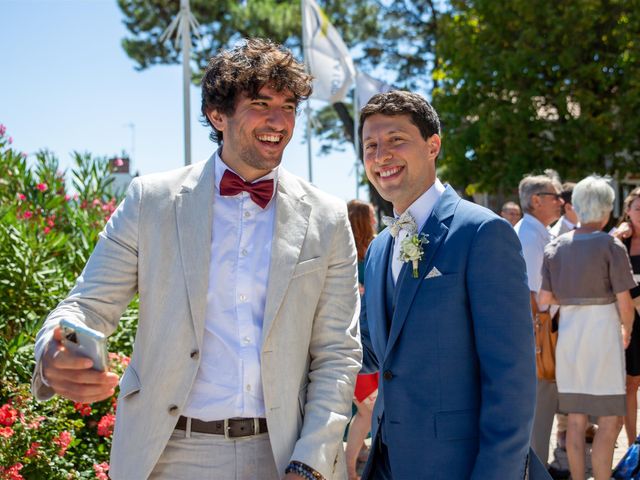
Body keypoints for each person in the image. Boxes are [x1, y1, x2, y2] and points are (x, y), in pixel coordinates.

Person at [31, 38, 362, 480]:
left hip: (285, 454)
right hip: (169, 455)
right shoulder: (151, 201)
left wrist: (311, 463)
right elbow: (86, 306)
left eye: (288, 107)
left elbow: (337, 353)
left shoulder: (328, 215)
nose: (278, 121)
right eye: (261, 103)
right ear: (217, 114)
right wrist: (54, 351)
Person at [357, 90, 545, 479]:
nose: (381, 156)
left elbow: (511, 379)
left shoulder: (482, 232)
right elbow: (373, 351)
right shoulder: (377, 249)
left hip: (459, 466)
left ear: (433, 146)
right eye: (370, 145)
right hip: (387, 462)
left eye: (396, 140)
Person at [539, 175, 636, 480]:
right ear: (607, 209)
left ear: (577, 207)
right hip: (603, 333)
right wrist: (627, 331)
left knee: (576, 420)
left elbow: (544, 300)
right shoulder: (612, 246)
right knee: (609, 420)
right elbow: (624, 300)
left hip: (571, 335)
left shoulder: (555, 247)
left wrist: (570, 296)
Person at [514, 172, 563, 468]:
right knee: (539, 415)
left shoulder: (537, 231)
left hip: (541, 335)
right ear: (536, 201)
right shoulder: (529, 236)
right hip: (538, 337)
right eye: (554, 196)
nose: (560, 202)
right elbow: (533, 296)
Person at [346, 199, 378, 480]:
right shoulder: (366, 259)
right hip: (361, 346)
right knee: (367, 412)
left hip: (359, 344)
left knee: (368, 411)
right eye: (372, 216)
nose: (376, 220)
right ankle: (348, 469)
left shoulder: (352, 256)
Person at [619, 187, 640, 446]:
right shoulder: (619, 241)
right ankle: (632, 444)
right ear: (628, 211)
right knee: (631, 384)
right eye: (638, 208)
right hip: (629, 323)